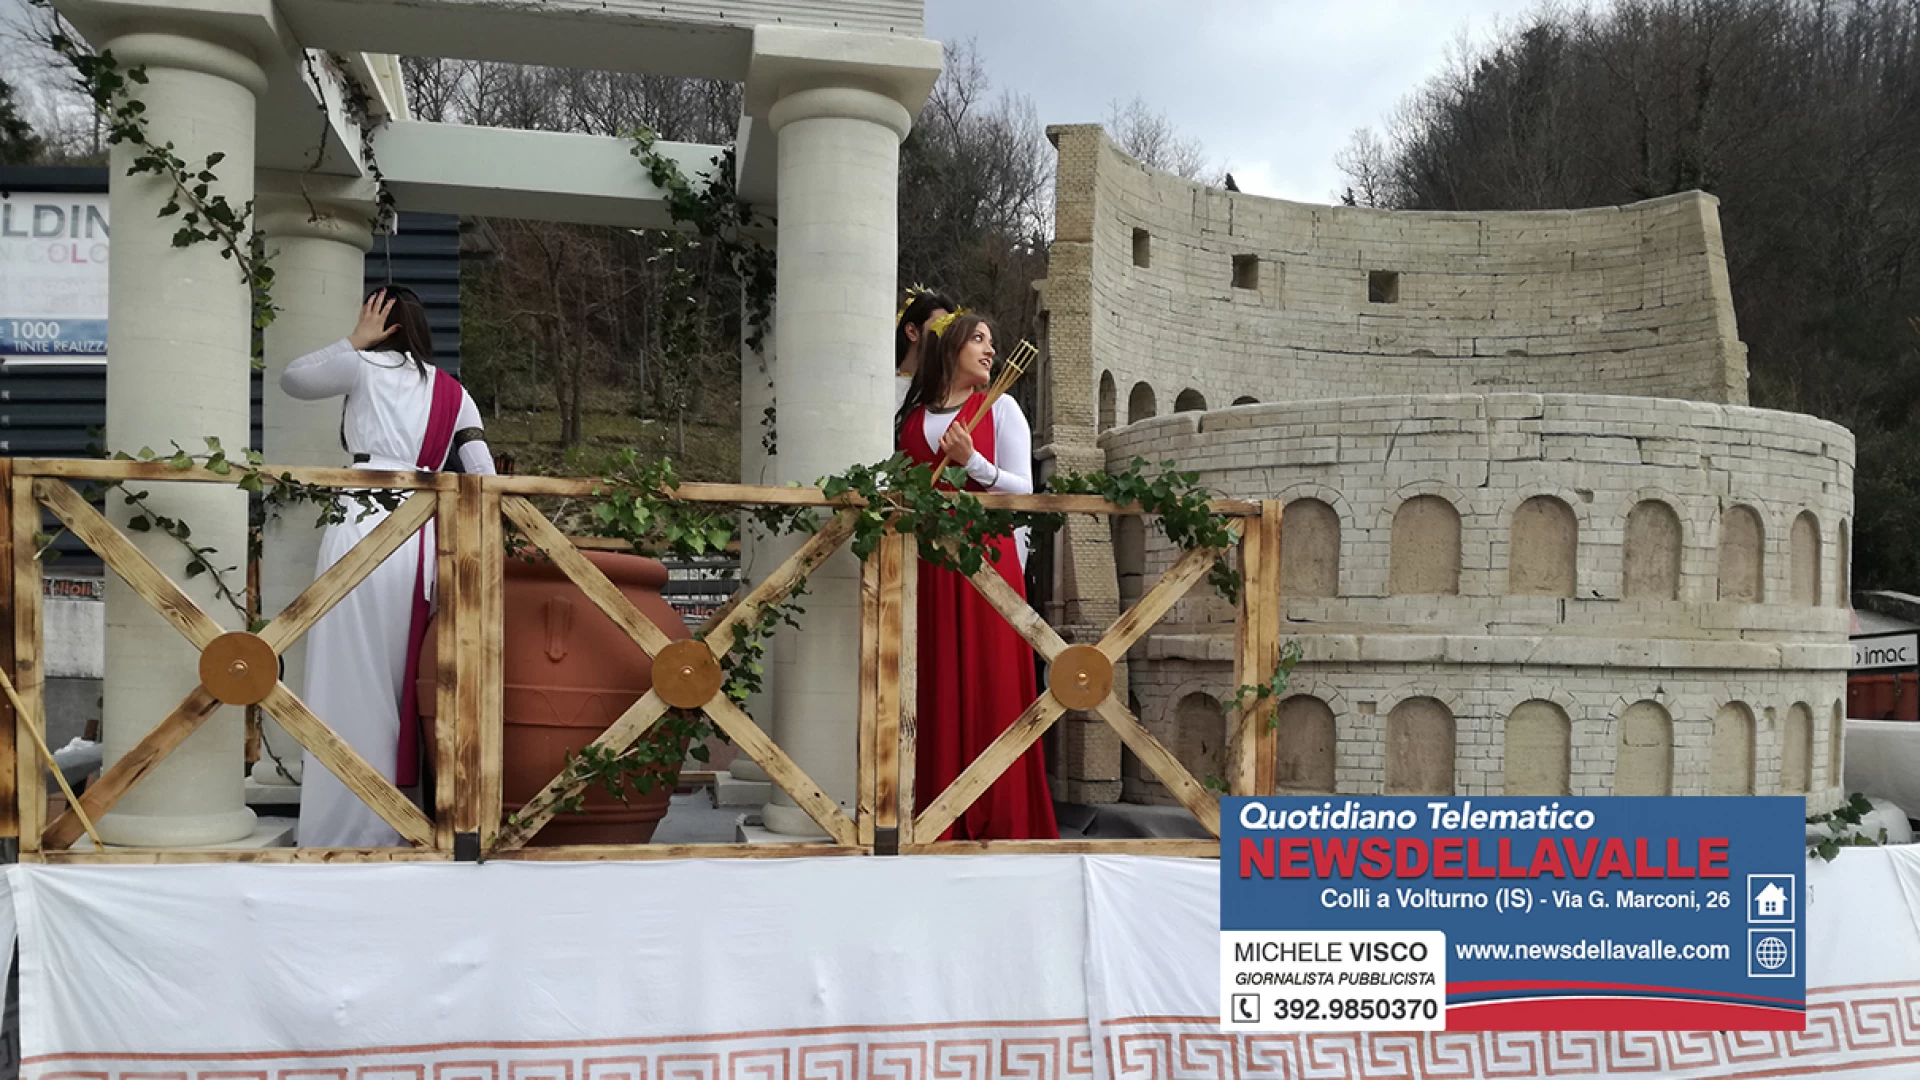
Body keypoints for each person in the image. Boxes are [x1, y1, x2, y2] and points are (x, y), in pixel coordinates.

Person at [280, 287, 496, 847]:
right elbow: (481, 470)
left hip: (361, 518)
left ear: (385, 324)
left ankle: (345, 824)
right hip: (420, 531)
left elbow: (295, 378)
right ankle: (399, 819)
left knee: (346, 671)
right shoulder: (454, 393)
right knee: (402, 673)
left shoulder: (361, 365)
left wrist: (355, 341)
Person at [896, 312, 1059, 841]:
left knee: (993, 680)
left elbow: (1025, 491)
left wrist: (973, 465)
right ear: (950, 348)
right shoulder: (912, 418)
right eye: (979, 339)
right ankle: (935, 816)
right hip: (930, 565)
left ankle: (1002, 815)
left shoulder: (1003, 408)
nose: (990, 349)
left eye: (994, 340)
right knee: (935, 680)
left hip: (989, 559)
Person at [894, 286, 955, 411]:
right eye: (939, 326)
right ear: (912, 331)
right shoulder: (880, 385)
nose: (946, 336)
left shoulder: (950, 390)